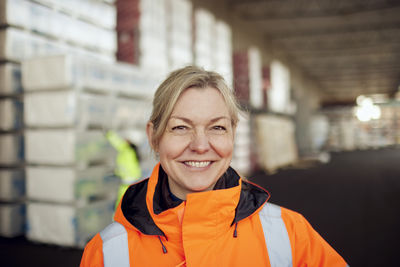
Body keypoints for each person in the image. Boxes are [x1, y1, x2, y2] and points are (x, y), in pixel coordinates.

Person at [80, 66, 348, 266]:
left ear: (233, 134)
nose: (200, 145)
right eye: (181, 127)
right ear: (154, 137)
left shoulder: (290, 234)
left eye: (217, 127)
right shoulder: (107, 253)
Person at [106, 130, 142, 209]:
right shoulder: (133, 152)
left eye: (127, 139)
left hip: (127, 183)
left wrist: (109, 134)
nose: (124, 140)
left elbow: (118, 143)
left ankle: (118, 219)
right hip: (132, 182)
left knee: (121, 206)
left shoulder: (127, 151)